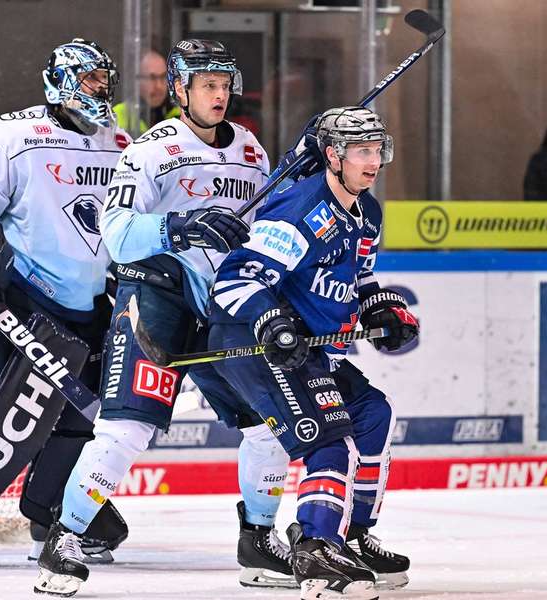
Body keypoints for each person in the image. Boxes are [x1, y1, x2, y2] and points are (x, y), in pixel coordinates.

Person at [32, 39, 290, 597]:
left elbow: (268, 225)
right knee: (128, 427)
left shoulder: (250, 149)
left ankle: (260, 537)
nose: (219, 96)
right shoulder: (150, 151)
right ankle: (65, 537)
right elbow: (117, 233)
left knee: (269, 421)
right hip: (157, 298)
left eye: (225, 85)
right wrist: (181, 227)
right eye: (207, 86)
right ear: (180, 89)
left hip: (225, 302)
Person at [0, 39, 132, 566]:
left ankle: (50, 516)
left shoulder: (117, 141)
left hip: (91, 305)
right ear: (62, 80)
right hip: (19, 296)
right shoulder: (16, 133)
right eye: (92, 80)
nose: (102, 90)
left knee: (82, 416)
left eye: (105, 80)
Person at [209, 106, 417, 599]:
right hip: (252, 342)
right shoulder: (300, 209)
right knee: (330, 437)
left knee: (372, 414)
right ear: (332, 155)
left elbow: (359, 276)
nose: (373, 162)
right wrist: (272, 319)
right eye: (361, 152)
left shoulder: (367, 211)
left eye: (377, 151)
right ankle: (316, 547)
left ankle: (350, 535)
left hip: (307, 350)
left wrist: (380, 308)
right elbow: (235, 280)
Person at [112, 49, 180, 135]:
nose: (159, 86)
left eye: (163, 77)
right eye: (152, 78)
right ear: (136, 81)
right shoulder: (116, 116)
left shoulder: (181, 117)